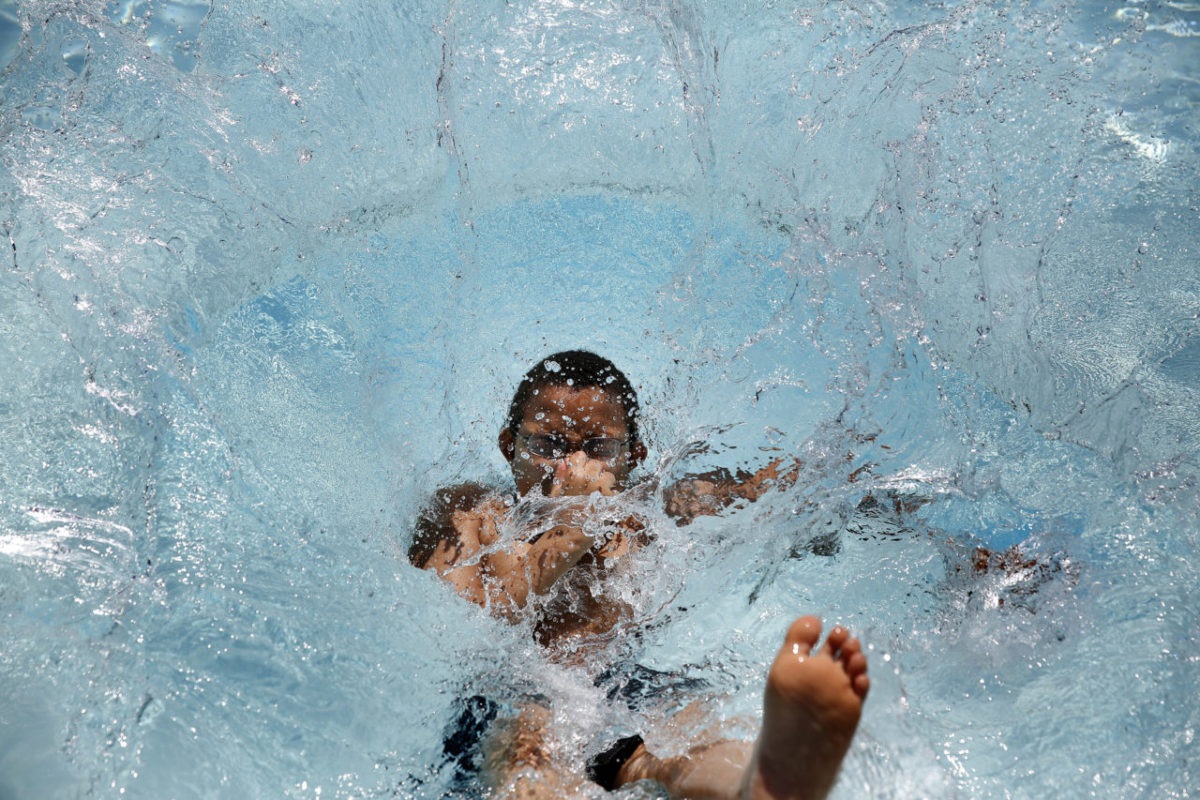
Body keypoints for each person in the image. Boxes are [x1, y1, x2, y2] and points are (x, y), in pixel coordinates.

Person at [409, 350, 869, 799]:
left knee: (687, 743)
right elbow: (459, 616)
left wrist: (885, 497)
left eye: (599, 448)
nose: (573, 466)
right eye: (547, 445)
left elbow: (788, 494)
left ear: (635, 455)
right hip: (516, 690)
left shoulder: (655, 511)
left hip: (624, 683)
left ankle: (762, 781)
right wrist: (572, 528)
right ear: (509, 446)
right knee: (528, 755)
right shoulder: (470, 512)